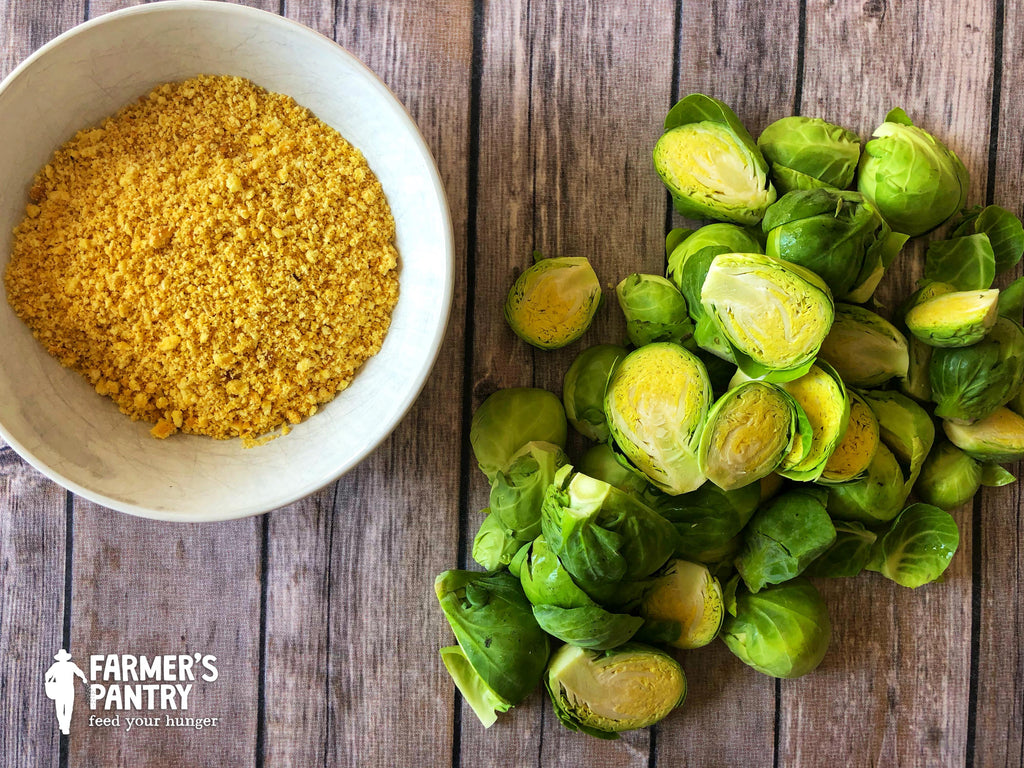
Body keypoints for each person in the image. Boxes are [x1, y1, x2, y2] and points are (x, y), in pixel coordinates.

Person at [44, 649, 88, 735]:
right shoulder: (70, 665)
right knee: (67, 708)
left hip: (60, 689)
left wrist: (48, 682)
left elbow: (47, 675)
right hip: (68, 689)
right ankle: (65, 726)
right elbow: (79, 672)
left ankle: (63, 725)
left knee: (60, 708)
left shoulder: (56, 666)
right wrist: (84, 678)